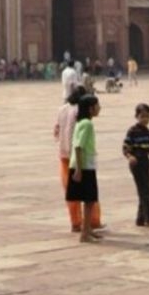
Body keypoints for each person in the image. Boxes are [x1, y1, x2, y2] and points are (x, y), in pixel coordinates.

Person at [54, 87, 104, 233]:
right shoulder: (80, 113)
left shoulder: (62, 109)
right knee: (89, 194)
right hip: (78, 157)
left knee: (72, 192)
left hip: (63, 154)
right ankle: (93, 222)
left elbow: (56, 131)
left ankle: (76, 222)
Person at [122, 102, 149, 227]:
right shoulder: (132, 131)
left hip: (145, 162)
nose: (145, 119)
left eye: (148, 116)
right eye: (142, 116)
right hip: (136, 162)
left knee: (144, 191)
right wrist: (130, 156)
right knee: (145, 191)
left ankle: (140, 219)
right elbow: (125, 147)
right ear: (137, 116)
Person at [67, 94, 102, 243]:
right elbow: (79, 146)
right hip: (84, 166)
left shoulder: (80, 122)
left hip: (80, 164)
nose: (99, 108)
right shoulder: (87, 124)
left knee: (88, 200)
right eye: (97, 105)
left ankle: (87, 229)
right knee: (89, 201)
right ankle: (85, 234)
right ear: (90, 108)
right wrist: (79, 170)